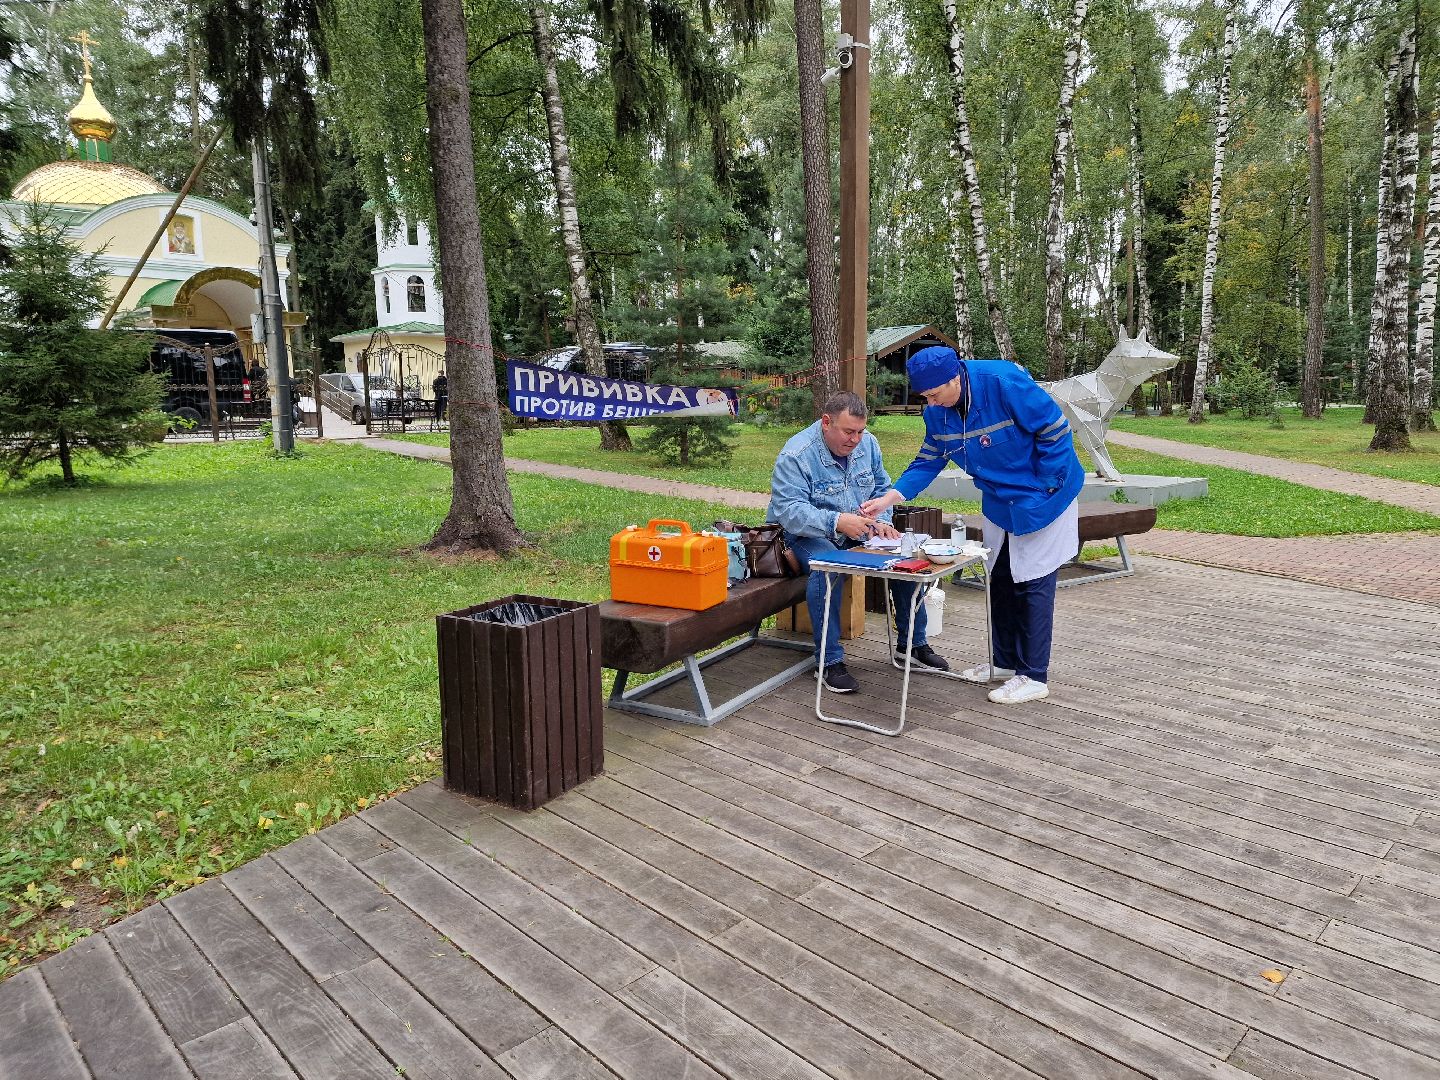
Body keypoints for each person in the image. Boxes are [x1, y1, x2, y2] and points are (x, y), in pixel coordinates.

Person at [861, 347, 1083, 705]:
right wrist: (891, 497)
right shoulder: (938, 412)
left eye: (934, 394)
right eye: (924, 397)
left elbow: (1055, 432)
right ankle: (1004, 663)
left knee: (1034, 581)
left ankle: (1034, 675)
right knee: (1000, 578)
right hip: (999, 500)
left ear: (955, 378)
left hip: (1045, 493)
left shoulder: (1003, 382)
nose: (930, 403)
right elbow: (929, 458)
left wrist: (1045, 487)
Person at [769, 390, 952, 694]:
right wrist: (839, 521)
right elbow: (789, 513)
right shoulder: (796, 454)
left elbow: (882, 488)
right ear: (826, 422)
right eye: (848, 431)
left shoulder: (869, 443)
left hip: (861, 529)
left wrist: (882, 520)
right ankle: (828, 662)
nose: (856, 439)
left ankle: (913, 645)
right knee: (828, 567)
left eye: (860, 431)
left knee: (904, 560)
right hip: (806, 536)